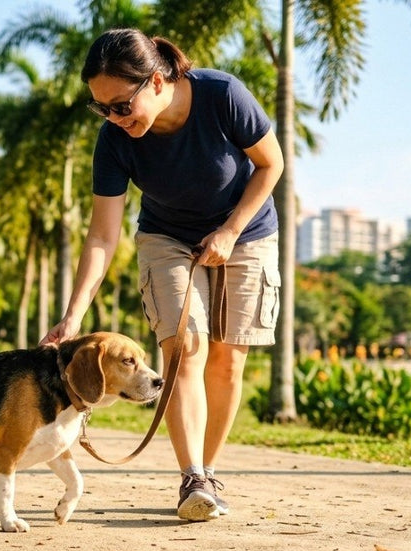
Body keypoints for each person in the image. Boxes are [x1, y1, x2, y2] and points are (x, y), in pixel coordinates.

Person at [40, 29, 284, 522]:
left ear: (155, 81)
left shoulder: (223, 95)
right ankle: (192, 476)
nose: (114, 117)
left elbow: (270, 163)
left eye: (121, 105)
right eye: (102, 108)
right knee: (181, 346)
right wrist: (72, 317)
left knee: (227, 359)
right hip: (166, 237)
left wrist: (231, 230)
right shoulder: (115, 141)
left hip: (248, 229)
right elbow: (102, 238)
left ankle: (209, 471)